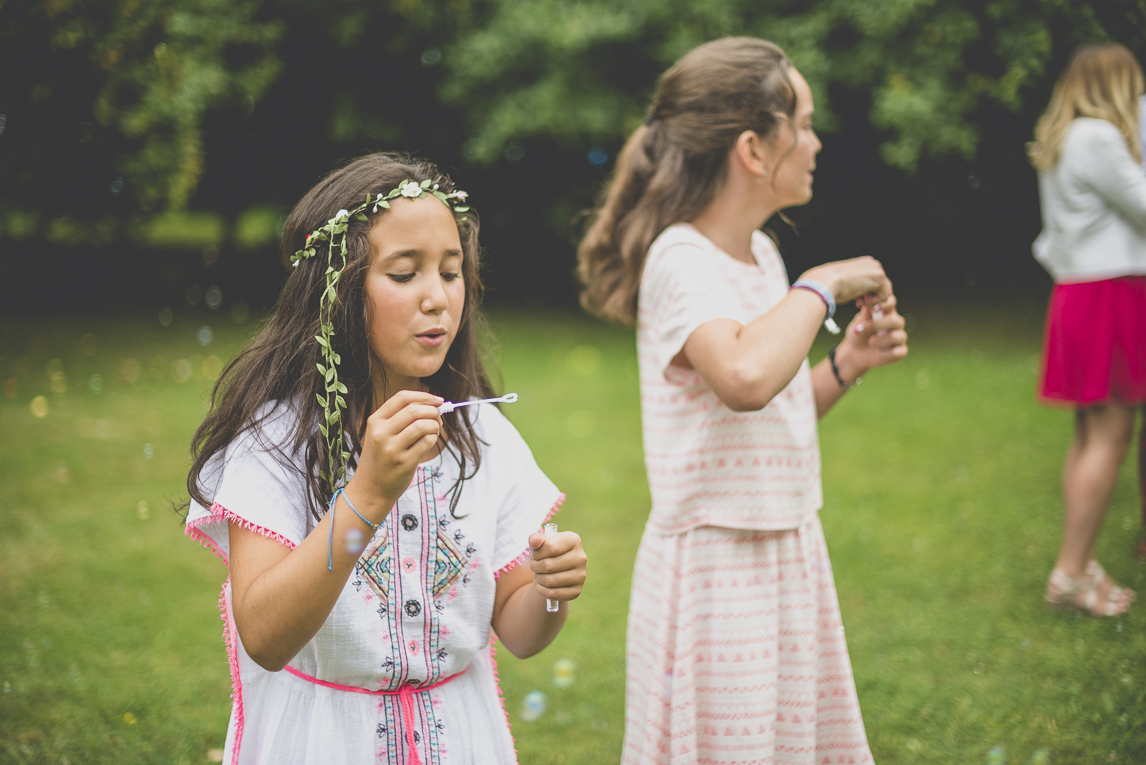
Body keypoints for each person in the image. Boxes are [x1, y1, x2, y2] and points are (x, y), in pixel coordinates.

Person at [184, 153, 587, 765]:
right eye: (405, 275)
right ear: (338, 293)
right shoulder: (277, 443)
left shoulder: (483, 438)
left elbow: (520, 629)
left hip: (460, 738)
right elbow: (264, 637)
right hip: (325, 740)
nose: (437, 298)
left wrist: (552, 593)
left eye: (451, 273)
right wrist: (367, 494)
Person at [577, 37, 908, 764]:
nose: (817, 142)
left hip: (788, 546)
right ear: (754, 150)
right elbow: (746, 377)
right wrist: (821, 283)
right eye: (806, 122)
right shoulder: (680, 260)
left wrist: (844, 366)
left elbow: (775, 410)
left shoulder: (760, 255)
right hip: (716, 570)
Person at [1029, 44, 1146, 614]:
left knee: (1088, 436)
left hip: (1080, 291)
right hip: (1110, 292)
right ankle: (1070, 574)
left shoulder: (1066, 136)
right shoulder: (1098, 137)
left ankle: (1079, 562)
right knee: (1110, 438)